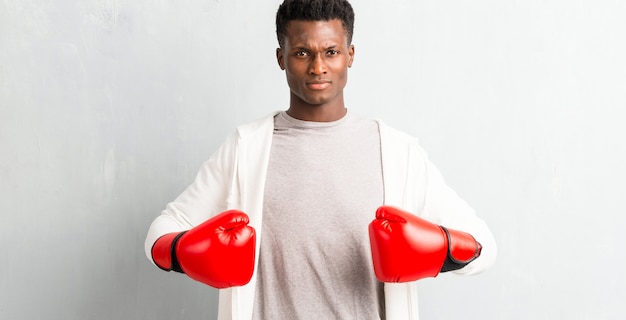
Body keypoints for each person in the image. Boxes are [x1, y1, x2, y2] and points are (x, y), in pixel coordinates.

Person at [145, 0, 497, 319]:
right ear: (281, 57)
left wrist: (440, 248)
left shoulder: (395, 151)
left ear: (351, 54)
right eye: (301, 53)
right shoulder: (245, 148)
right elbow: (162, 231)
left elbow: (484, 246)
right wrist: (184, 252)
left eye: (331, 51)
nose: (318, 67)